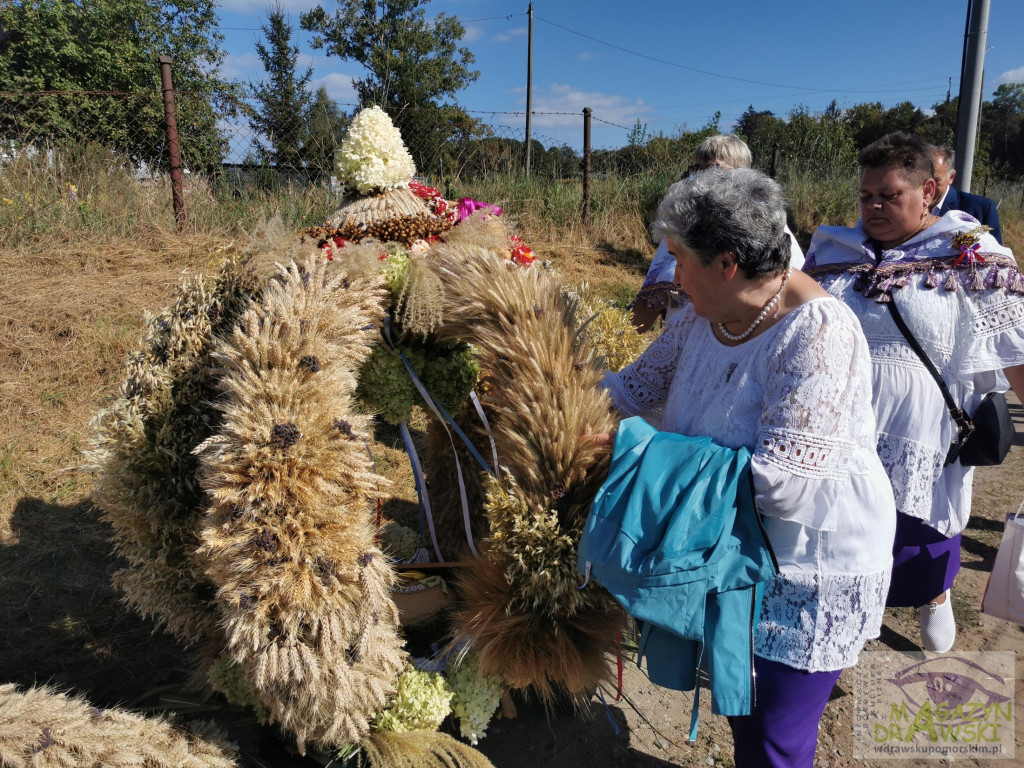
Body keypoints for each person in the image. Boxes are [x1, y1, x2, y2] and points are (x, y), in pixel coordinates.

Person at [596, 167, 896, 767]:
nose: (671, 273)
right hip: (733, 554)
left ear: (726, 263)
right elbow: (628, 392)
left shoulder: (818, 332)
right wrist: (542, 392)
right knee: (745, 720)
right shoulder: (699, 319)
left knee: (774, 740)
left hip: (802, 568)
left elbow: (783, 485)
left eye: (680, 258)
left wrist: (635, 452)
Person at [804, 132, 1024, 653]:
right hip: (842, 437)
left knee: (919, 540)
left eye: (889, 195)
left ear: (929, 191)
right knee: (843, 543)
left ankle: (936, 596)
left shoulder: (970, 255)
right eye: (866, 196)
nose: (874, 207)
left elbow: (1017, 349)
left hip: (925, 442)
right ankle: (846, 628)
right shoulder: (834, 252)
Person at [630, 134, 805, 332]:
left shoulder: (768, 230)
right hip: (681, 341)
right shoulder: (681, 225)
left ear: (742, 176)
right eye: (697, 170)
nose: (702, 179)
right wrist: (610, 348)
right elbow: (649, 300)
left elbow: (787, 298)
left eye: (714, 170)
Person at [931, 145, 1003, 245]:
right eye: (922, 179)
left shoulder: (980, 210)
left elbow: (996, 257)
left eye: (936, 180)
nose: (927, 187)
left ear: (951, 177)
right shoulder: (906, 208)